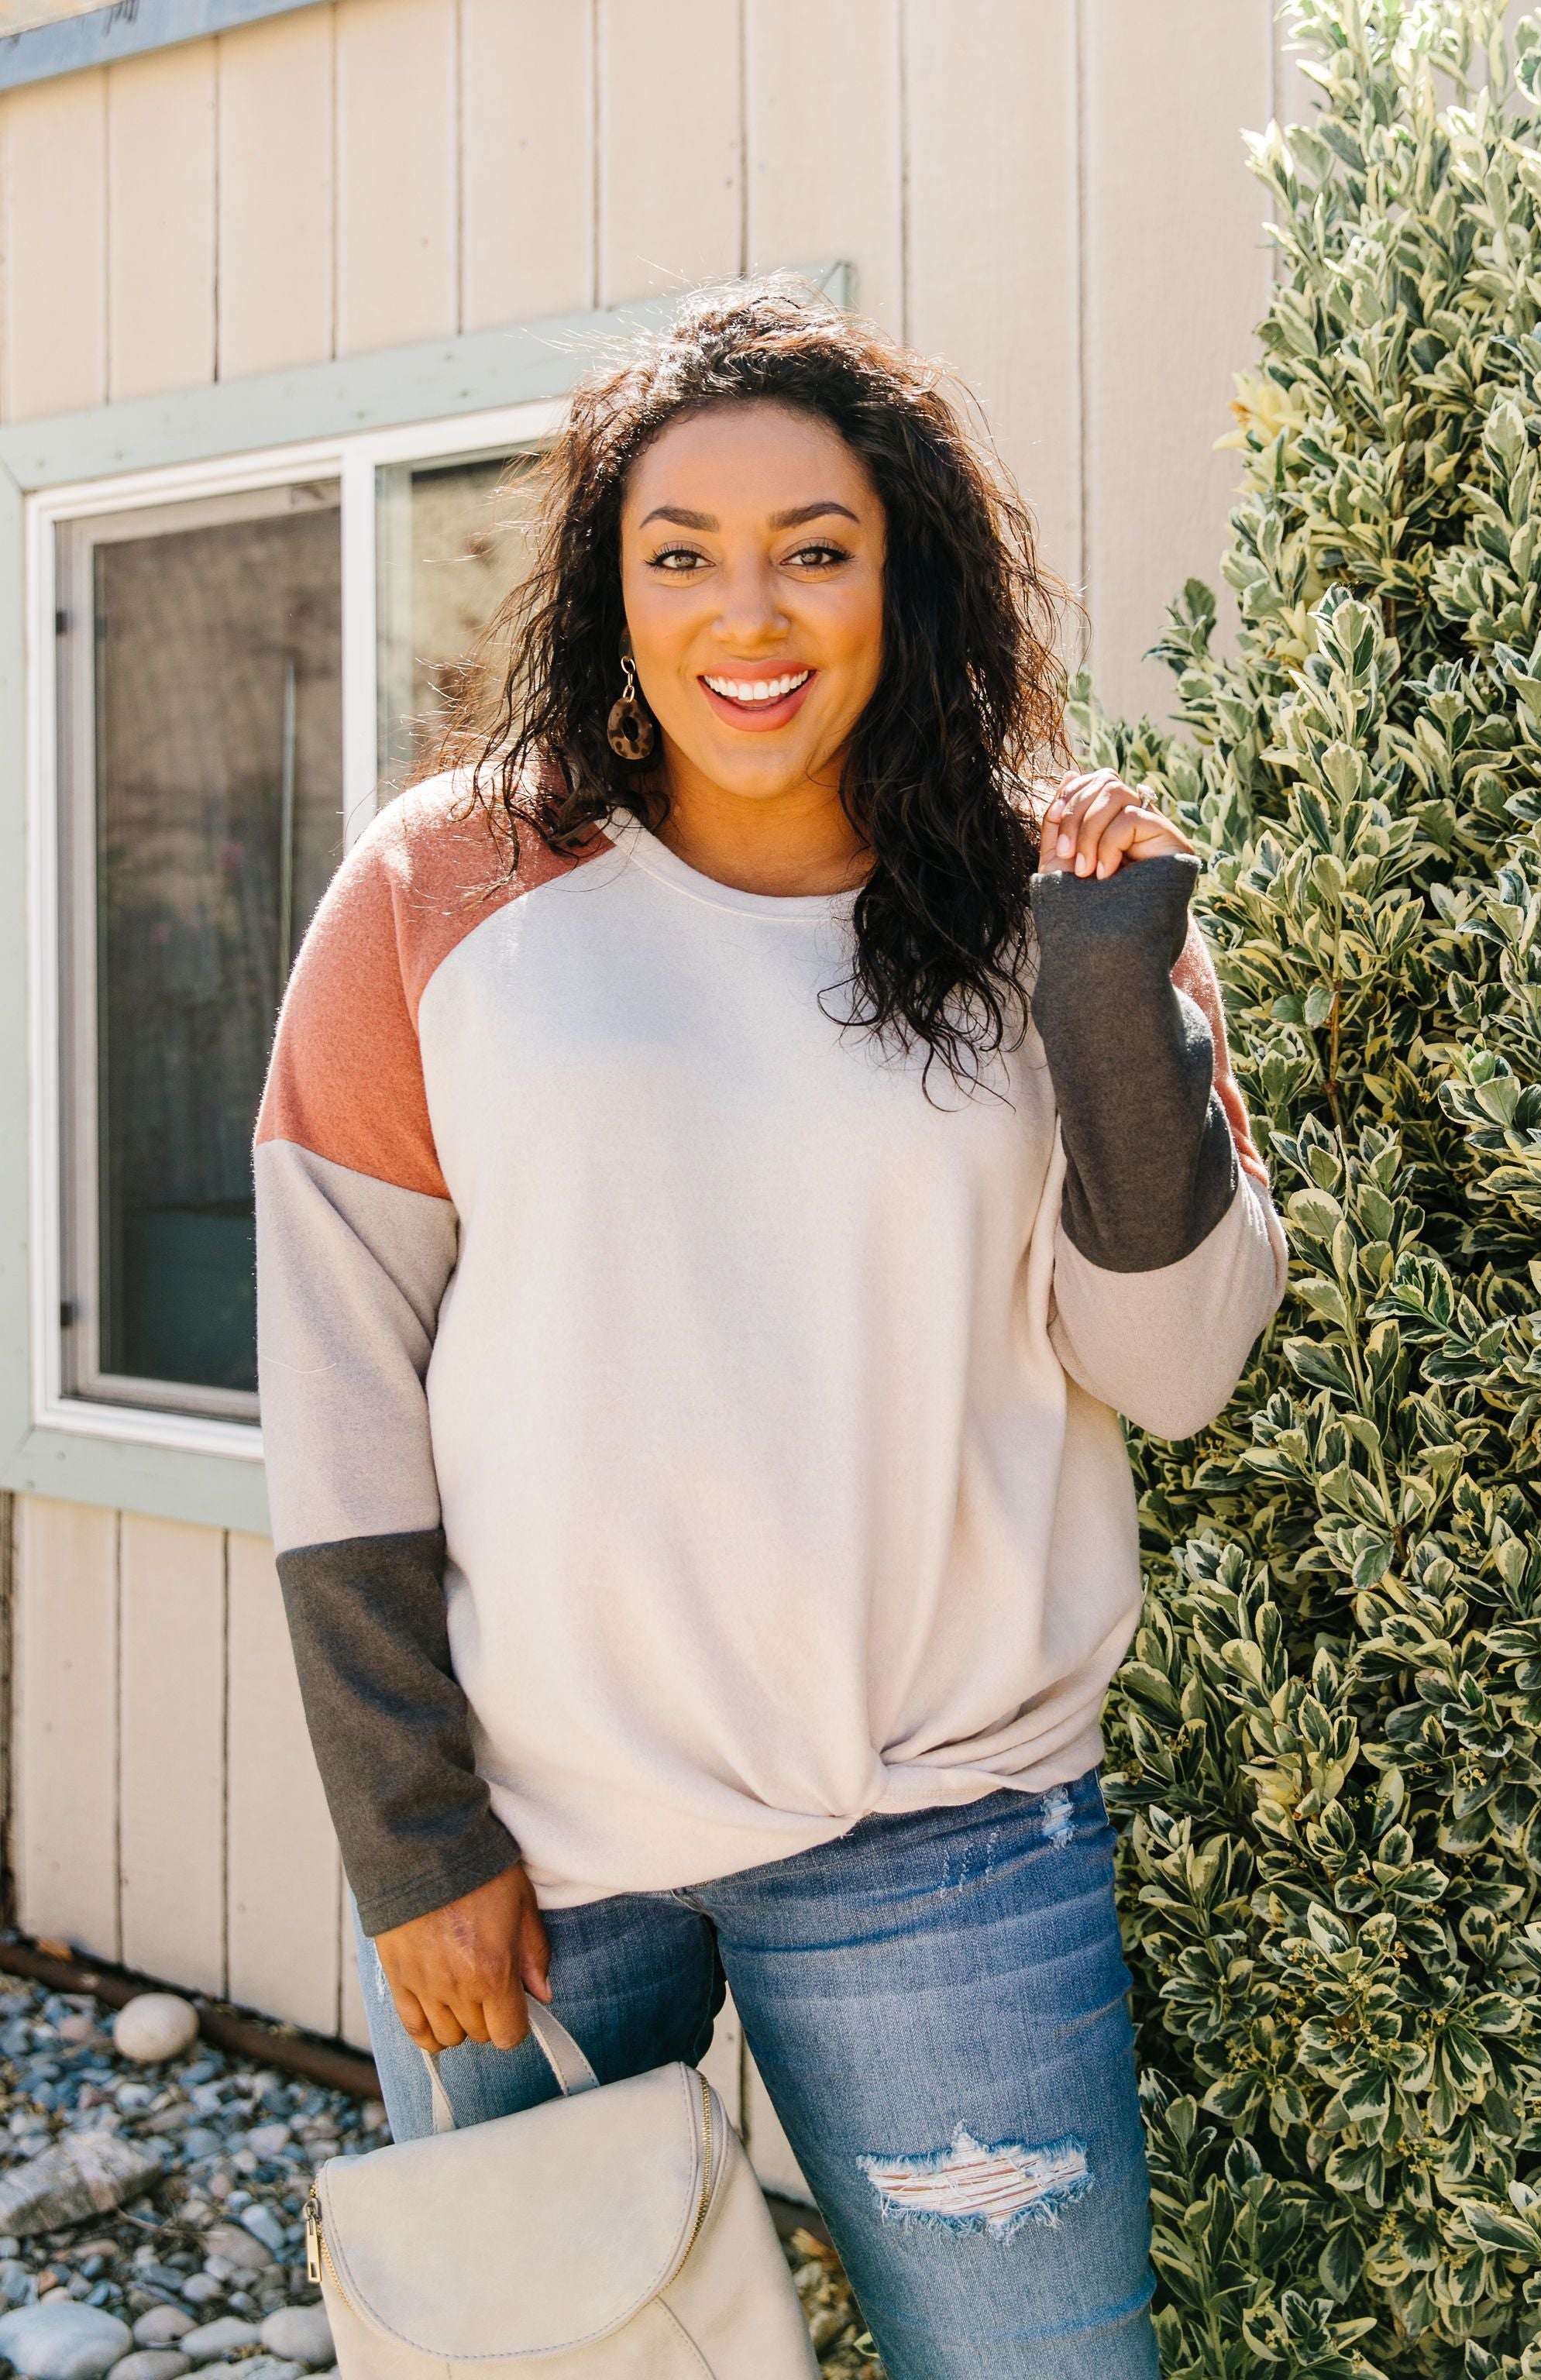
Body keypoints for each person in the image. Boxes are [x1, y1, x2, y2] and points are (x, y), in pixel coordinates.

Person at [254, 281, 1284, 2380]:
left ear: (906, 574)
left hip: (952, 1839)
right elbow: (342, 1382)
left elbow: (1172, 1371)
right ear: (610, 590)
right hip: (530, 1849)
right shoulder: (446, 888)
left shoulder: (1053, 896)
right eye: (682, 554)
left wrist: (1108, 996)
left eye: (815, 549)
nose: (750, 615)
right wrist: (413, 1841)